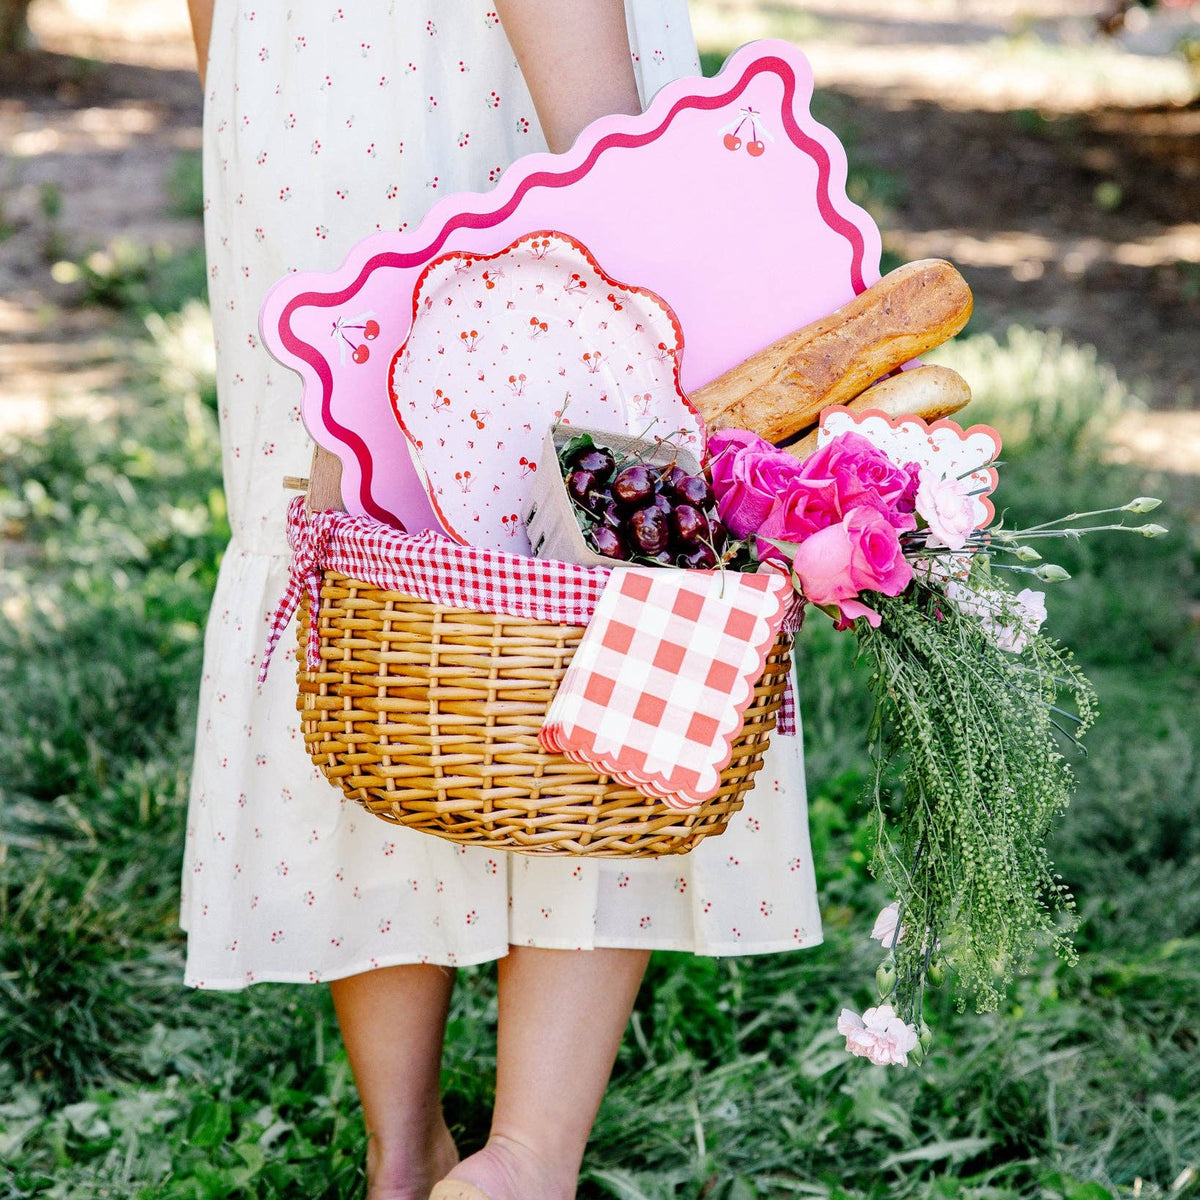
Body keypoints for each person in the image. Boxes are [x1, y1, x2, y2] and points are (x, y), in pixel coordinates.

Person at [181, 4, 823, 1198]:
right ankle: (519, 1164)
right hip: (494, 88)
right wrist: (612, 194)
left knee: (377, 615)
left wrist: (254, 100)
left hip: (298, 99)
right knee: (607, 593)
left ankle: (403, 1153)